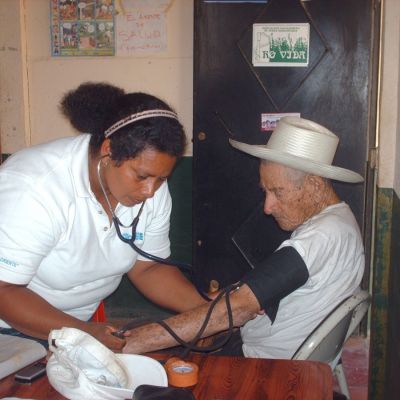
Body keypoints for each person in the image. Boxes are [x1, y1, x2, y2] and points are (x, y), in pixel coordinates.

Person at [122, 116, 365, 359]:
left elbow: (237, 310)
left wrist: (130, 344)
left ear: (314, 184)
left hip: (260, 361)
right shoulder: (340, 221)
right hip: (276, 351)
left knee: (150, 352)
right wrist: (235, 297)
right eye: (265, 191)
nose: (267, 207)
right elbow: (263, 291)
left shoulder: (320, 238)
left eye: (277, 191)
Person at [0, 82, 207, 351]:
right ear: (108, 151)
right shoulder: (34, 187)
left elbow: (147, 267)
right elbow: (4, 291)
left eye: (161, 179)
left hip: (77, 326)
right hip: (12, 329)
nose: (150, 191)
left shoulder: (151, 182)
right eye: (142, 177)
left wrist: (208, 310)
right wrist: (83, 332)